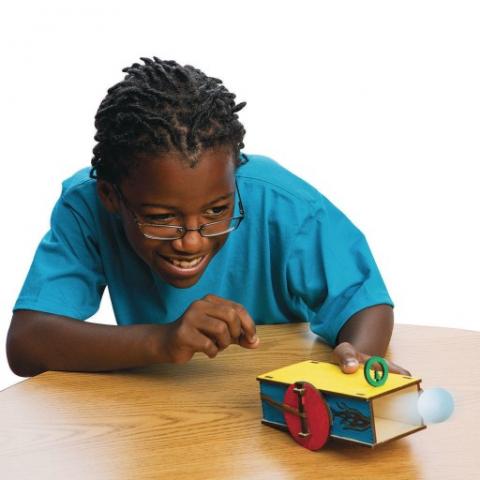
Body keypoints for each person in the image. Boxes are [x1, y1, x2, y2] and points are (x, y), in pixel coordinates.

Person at [6, 57, 410, 378]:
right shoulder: (87, 205)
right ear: (111, 196)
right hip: (159, 420)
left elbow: (364, 300)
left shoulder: (282, 202)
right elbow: (28, 343)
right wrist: (162, 342)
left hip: (280, 415)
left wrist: (358, 354)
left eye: (218, 211)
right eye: (162, 218)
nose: (192, 241)